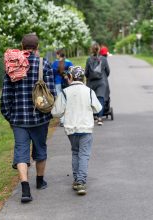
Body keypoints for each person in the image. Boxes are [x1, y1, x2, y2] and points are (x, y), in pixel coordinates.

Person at [0, 33, 56, 203]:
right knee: (40, 149)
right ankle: (40, 181)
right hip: (39, 118)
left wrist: (9, 116)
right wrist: (48, 113)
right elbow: (52, 93)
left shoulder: (12, 64)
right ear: (37, 47)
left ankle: (25, 188)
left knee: (21, 151)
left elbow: (6, 95)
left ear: (22, 46)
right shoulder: (44, 64)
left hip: (18, 119)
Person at [51, 66, 102, 195]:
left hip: (71, 129)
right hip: (85, 127)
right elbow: (98, 108)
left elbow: (56, 112)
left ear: (71, 77)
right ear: (83, 78)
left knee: (75, 152)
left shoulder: (65, 92)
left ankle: (76, 179)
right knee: (84, 155)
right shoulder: (89, 91)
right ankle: (81, 182)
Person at [85, 43, 110, 126]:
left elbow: (86, 73)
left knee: (91, 99)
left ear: (91, 50)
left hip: (91, 83)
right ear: (99, 50)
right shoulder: (104, 59)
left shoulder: (88, 59)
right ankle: (100, 118)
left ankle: (94, 116)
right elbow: (108, 71)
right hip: (101, 82)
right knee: (101, 99)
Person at [52, 49, 73, 127]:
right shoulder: (69, 62)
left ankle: (62, 120)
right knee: (67, 100)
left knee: (60, 101)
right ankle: (68, 119)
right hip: (66, 83)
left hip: (57, 83)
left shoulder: (54, 63)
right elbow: (72, 73)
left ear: (58, 55)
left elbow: (52, 74)